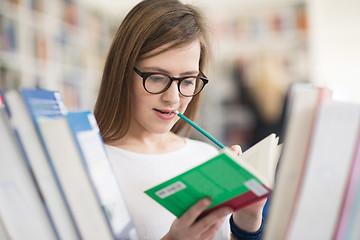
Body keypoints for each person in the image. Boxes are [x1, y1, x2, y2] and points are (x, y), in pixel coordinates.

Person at [94, 0, 266, 239]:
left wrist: (247, 220)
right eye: (156, 77)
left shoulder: (206, 159)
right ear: (122, 72)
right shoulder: (90, 165)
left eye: (187, 81)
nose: (173, 98)